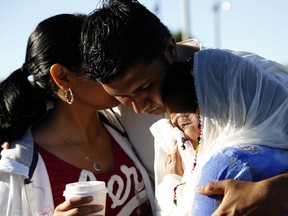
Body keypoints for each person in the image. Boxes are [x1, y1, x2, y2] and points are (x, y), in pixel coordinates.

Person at [80, 0, 288, 215]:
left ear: (170, 49)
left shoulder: (249, 85)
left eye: (144, 87)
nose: (139, 108)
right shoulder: (118, 113)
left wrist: (276, 190)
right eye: (121, 96)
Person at [0, 13, 157, 216]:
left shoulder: (129, 118)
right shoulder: (16, 168)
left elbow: (169, 57)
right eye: (100, 63)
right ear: (63, 77)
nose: (116, 70)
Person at [149, 56, 288, 215]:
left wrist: (171, 183)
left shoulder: (221, 169)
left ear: (226, 111)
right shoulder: (279, 142)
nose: (183, 138)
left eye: (184, 124)